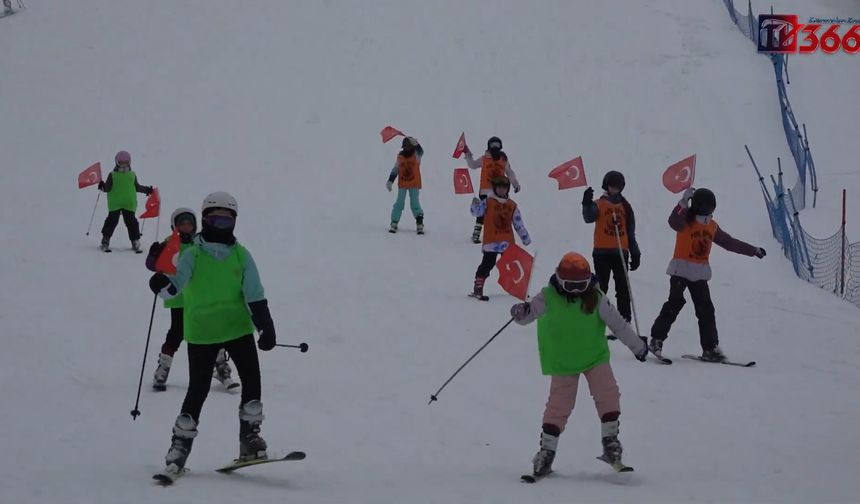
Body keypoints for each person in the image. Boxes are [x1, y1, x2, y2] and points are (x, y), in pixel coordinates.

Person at [148, 191, 277, 475]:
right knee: (198, 389)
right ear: (205, 220)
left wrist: (265, 326)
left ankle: (250, 438)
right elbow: (175, 287)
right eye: (215, 220)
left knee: (252, 382)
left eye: (226, 220)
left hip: (237, 328)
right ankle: (180, 446)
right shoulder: (192, 254)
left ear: (234, 222)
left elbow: (255, 294)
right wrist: (160, 284)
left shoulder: (242, 256)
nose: (221, 225)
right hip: (202, 332)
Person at [510, 252, 647, 477]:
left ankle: (611, 442)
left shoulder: (596, 297)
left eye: (580, 286)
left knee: (608, 394)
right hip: (563, 361)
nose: (575, 291)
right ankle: (546, 452)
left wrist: (638, 346)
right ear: (559, 280)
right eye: (570, 286)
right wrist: (520, 313)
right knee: (559, 406)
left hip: (594, 357)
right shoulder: (548, 296)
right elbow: (529, 315)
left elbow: (618, 324)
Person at [648, 188, 766, 362]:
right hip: (680, 271)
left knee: (706, 310)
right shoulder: (685, 220)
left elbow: (729, 243)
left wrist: (753, 250)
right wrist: (683, 202)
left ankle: (710, 348)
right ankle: (656, 340)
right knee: (674, 303)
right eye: (706, 206)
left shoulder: (712, 226)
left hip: (699, 274)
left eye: (711, 207)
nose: (708, 210)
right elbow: (673, 221)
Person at [145, 208, 237, 391]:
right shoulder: (169, 243)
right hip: (177, 297)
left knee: (212, 330)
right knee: (177, 332)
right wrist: (154, 254)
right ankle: (163, 368)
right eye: (182, 224)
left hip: (200, 296)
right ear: (175, 226)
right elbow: (152, 265)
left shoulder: (200, 243)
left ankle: (220, 367)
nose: (186, 227)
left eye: (189, 224)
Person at [581, 171, 641, 325]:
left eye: (618, 186)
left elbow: (630, 232)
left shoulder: (626, 207)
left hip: (621, 252)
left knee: (623, 288)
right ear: (606, 186)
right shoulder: (599, 204)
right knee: (601, 288)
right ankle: (593, 319)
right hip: (601, 253)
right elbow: (589, 217)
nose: (615, 189)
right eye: (612, 186)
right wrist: (586, 203)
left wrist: (635, 253)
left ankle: (624, 323)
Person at [469, 176, 530, 300]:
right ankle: (478, 287)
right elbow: (477, 213)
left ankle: (517, 288)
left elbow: (518, 223)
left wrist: (525, 237)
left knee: (513, 264)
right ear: (494, 188)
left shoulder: (512, 205)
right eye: (499, 188)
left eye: (504, 188)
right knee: (488, 264)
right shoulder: (488, 202)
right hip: (491, 241)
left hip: (507, 242)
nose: (502, 190)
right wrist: (475, 205)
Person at [464, 136, 521, 243]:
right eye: (493, 145)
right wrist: (468, 154)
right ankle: (479, 233)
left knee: (494, 211)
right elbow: (473, 165)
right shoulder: (485, 159)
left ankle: (495, 233)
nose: (495, 147)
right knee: (484, 211)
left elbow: (510, 173)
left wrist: (515, 184)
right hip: (488, 191)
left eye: (497, 145)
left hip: (497, 191)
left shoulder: (502, 159)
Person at [97, 150, 153, 253]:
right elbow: (107, 188)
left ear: (129, 162)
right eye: (121, 163)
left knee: (131, 222)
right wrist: (102, 186)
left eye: (125, 163)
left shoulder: (132, 175)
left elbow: (137, 187)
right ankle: (105, 240)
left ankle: (135, 241)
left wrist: (147, 190)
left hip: (129, 203)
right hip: (115, 203)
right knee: (112, 221)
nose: (124, 165)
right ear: (117, 163)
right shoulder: (112, 175)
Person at [386, 136, 425, 234]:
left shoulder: (416, 155)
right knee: (399, 203)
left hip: (414, 183)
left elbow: (421, 152)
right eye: (405, 147)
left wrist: (417, 145)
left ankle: (419, 222)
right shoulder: (400, 157)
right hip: (403, 184)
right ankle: (394, 222)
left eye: (409, 146)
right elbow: (395, 169)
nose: (407, 149)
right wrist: (390, 180)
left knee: (415, 203)